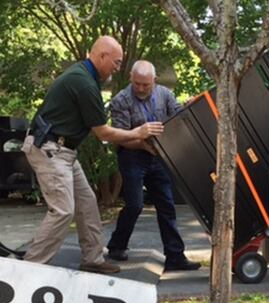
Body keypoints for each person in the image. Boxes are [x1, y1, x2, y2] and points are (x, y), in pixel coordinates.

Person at [21, 36, 164, 274]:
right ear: (102, 56)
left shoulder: (85, 76)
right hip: (50, 150)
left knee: (87, 205)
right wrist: (137, 133)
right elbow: (102, 133)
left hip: (64, 152)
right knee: (63, 210)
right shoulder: (84, 83)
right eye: (116, 62)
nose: (118, 67)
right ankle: (29, 269)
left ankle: (93, 259)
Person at [106, 60, 201, 271]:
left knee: (167, 205)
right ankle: (117, 245)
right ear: (131, 77)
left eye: (145, 85)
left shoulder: (165, 94)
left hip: (158, 156)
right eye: (137, 83)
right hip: (132, 156)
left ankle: (175, 256)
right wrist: (142, 143)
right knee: (135, 205)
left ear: (154, 81)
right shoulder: (121, 100)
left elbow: (177, 116)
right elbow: (119, 137)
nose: (140, 88)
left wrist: (188, 107)